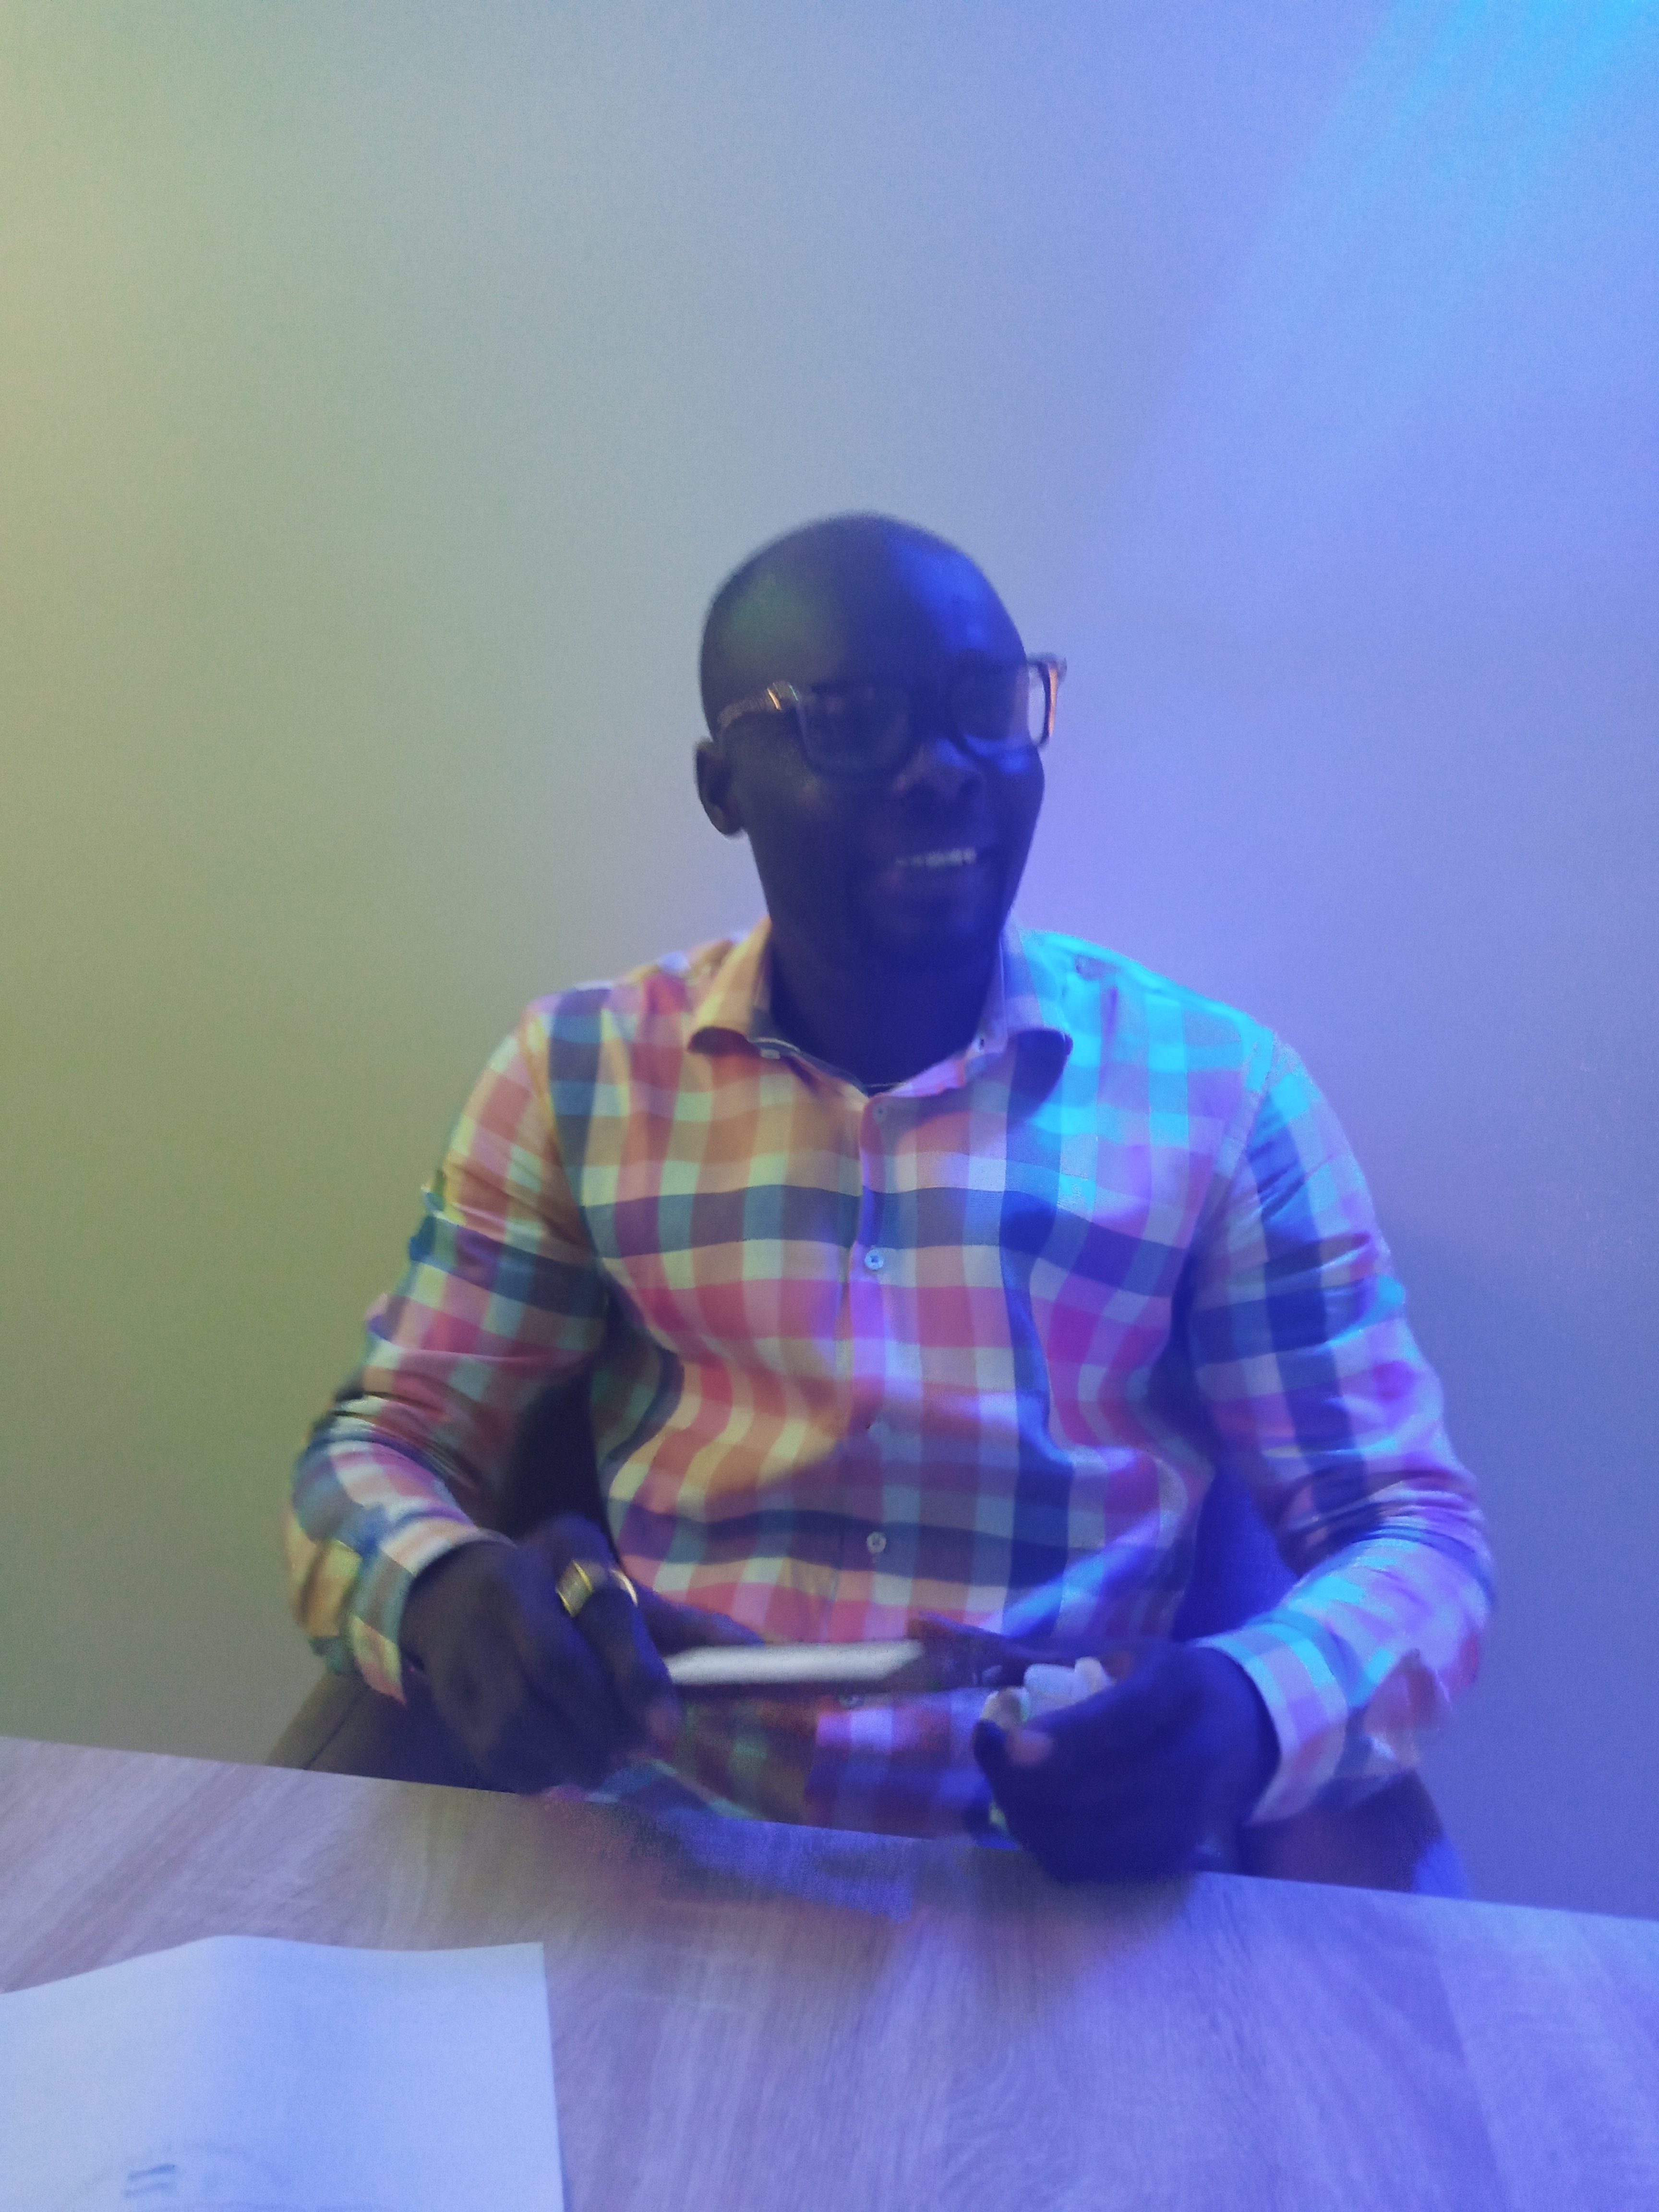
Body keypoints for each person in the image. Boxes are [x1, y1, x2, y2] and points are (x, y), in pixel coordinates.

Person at [284, 514, 1490, 1882]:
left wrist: (1251, 1713)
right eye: (851, 722)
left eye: (986, 707)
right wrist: (439, 1589)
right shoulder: (578, 1078)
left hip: (1066, 1887)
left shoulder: (1222, 1098)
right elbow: (374, 1451)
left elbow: (1415, 1536)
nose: (944, 771)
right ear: (722, 784)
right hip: (661, 1855)